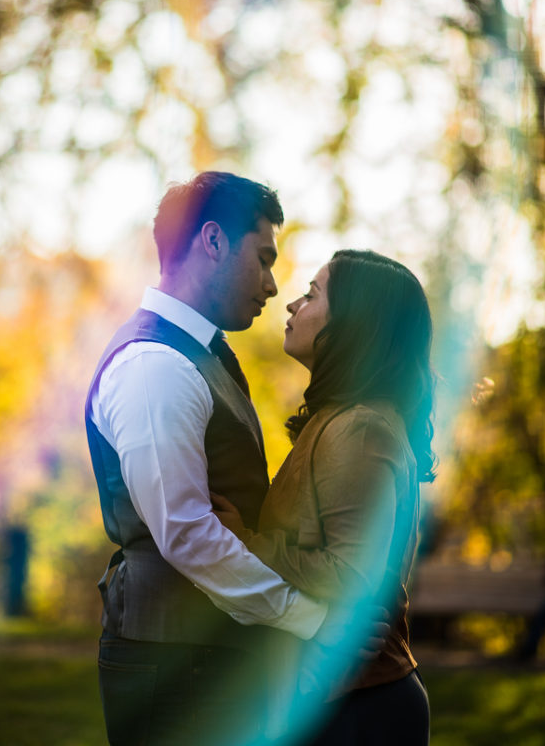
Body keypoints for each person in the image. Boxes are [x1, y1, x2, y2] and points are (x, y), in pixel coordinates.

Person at [85, 173, 379, 746]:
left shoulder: (200, 352)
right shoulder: (155, 364)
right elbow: (188, 533)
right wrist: (314, 621)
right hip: (170, 658)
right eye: (264, 258)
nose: (273, 286)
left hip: (201, 653)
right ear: (213, 241)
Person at [213, 249, 434, 745]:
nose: (291, 304)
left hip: (361, 704)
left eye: (312, 294)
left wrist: (245, 542)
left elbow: (351, 575)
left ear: (356, 322)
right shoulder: (338, 420)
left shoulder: (361, 428)